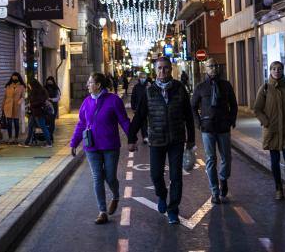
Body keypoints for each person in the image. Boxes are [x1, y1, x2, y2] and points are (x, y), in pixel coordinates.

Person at [128, 57, 195, 225]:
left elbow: (188, 115)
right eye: (159, 68)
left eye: (165, 68)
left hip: (176, 139)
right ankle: (162, 195)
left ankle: (173, 210)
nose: (162, 71)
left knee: (176, 176)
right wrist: (132, 138)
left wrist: (191, 139)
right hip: (156, 139)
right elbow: (139, 116)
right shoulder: (149, 92)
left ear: (170, 69)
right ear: (155, 70)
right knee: (156, 175)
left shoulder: (180, 89)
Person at [70, 73, 131, 224]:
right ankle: (102, 211)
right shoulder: (86, 102)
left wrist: (132, 138)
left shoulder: (114, 100)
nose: (87, 85)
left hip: (110, 145)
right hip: (91, 146)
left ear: (98, 85)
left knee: (110, 177)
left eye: (90, 82)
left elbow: (124, 121)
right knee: (97, 177)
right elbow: (81, 124)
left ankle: (116, 196)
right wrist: (74, 143)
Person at [191, 58, 237, 204]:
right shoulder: (201, 87)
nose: (214, 68)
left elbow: (233, 105)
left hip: (223, 127)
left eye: (215, 65)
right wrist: (199, 123)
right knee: (211, 159)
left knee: (226, 158)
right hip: (208, 128)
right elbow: (192, 107)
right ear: (205, 69)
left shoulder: (226, 85)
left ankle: (223, 178)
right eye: (211, 66)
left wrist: (231, 120)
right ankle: (214, 191)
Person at [253, 61, 285, 201]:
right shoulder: (265, 88)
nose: (277, 71)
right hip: (272, 131)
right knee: (274, 161)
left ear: (282, 71)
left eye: (279, 69)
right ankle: (278, 188)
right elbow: (257, 109)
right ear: (270, 71)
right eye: (274, 69)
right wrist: (266, 122)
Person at [24, 78, 53, 146]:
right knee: (30, 126)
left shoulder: (39, 91)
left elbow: (41, 101)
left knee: (43, 127)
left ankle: (49, 143)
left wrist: (32, 104)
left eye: (30, 85)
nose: (29, 87)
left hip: (39, 113)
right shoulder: (36, 91)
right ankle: (27, 143)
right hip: (34, 112)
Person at [2, 72, 25, 143]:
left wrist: (19, 102)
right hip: (8, 106)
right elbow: (5, 97)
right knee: (9, 123)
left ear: (18, 78)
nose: (14, 78)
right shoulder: (8, 86)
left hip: (16, 106)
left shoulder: (22, 86)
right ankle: (10, 138)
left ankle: (16, 138)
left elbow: (23, 97)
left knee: (16, 123)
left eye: (16, 77)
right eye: (13, 77)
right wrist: (2, 106)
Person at [130, 71, 149, 144]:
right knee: (142, 123)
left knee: (146, 122)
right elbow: (133, 98)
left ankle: (146, 136)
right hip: (139, 108)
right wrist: (133, 107)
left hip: (148, 108)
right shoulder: (136, 87)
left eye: (144, 77)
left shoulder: (149, 86)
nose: (143, 79)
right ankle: (144, 136)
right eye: (141, 77)